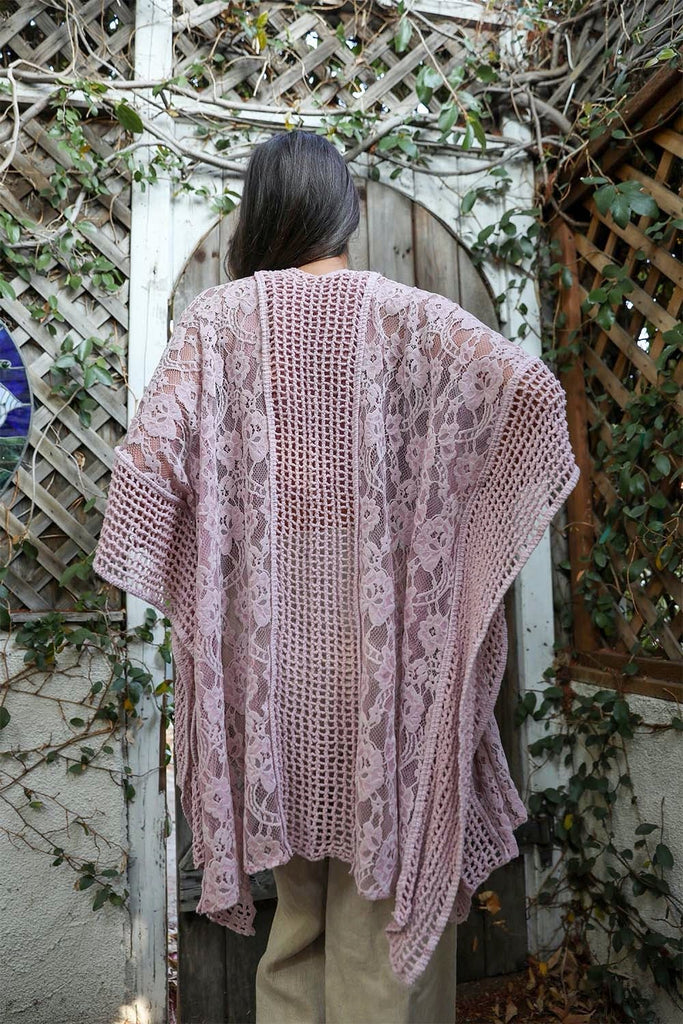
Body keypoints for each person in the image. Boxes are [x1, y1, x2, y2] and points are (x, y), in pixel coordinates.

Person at [92, 129, 580, 1024]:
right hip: (387, 672)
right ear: (343, 211)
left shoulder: (218, 322)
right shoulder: (410, 317)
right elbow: (532, 398)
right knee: (382, 923)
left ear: (261, 214)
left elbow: (144, 477)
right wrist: (449, 552)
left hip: (271, 678)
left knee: (296, 923)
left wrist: (209, 574)